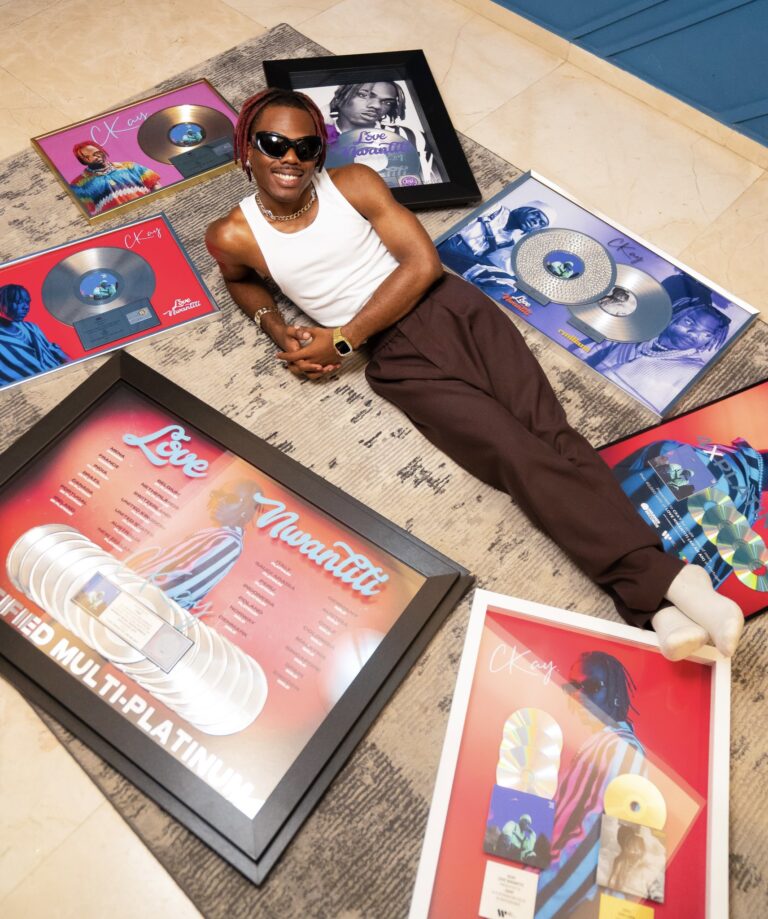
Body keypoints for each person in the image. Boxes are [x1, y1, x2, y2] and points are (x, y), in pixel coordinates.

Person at [204, 87, 744, 662]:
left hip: (451, 308)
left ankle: (656, 606)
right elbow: (241, 279)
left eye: (305, 146)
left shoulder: (353, 184)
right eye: (274, 144)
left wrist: (341, 338)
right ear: (247, 149)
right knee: (513, 454)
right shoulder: (232, 235)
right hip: (397, 360)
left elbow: (422, 265)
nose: (290, 157)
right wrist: (271, 322)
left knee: (553, 432)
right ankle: (675, 589)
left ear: (319, 154)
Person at [535, 652, 645, 918]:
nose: (578, 697)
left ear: (616, 694)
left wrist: (531, 901)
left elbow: (591, 847)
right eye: (573, 687)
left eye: (592, 687)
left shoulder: (621, 748)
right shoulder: (595, 746)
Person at [128, 480, 260, 615]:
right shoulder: (215, 534)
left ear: (247, 511)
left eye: (231, 498)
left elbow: (182, 587)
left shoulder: (229, 542)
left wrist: (130, 589)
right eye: (219, 494)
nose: (220, 501)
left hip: (141, 606)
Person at [585, 299, 731, 410]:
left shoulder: (693, 372)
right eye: (688, 322)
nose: (693, 334)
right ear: (674, 316)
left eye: (706, 334)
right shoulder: (635, 337)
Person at [324, 81, 442, 185]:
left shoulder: (411, 136)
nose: (376, 106)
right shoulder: (317, 136)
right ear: (339, 98)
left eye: (387, 102)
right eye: (362, 95)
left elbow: (432, 182)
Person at [440, 201, 553, 277]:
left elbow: (502, 265)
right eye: (536, 215)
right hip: (443, 242)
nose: (535, 221)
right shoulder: (495, 209)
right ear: (524, 209)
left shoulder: (508, 243)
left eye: (541, 223)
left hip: (457, 264)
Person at [0, 283, 69, 385]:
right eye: (18, 302)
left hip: (64, 379)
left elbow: (56, 353)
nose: (26, 307)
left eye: (27, 302)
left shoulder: (31, 327)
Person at [69, 140, 161, 217]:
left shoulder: (130, 166)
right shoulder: (77, 185)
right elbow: (82, 214)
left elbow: (155, 185)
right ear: (82, 161)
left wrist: (158, 205)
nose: (95, 157)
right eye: (87, 156)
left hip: (150, 212)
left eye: (96, 153)